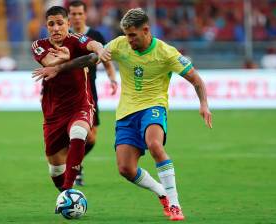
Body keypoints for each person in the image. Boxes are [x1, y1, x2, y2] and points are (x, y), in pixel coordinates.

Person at [33, 8, 213, 221]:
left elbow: (196, 80)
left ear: (146, 30)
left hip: (153, 107)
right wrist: (61, 68)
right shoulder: (120, 44)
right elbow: (92, 58)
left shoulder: (167, 53)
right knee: (126, 168)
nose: (128, 39)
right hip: (126, 112)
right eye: (126, 34)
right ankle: (162, 193)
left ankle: (175, 204)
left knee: (155, 145)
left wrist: (204, 104)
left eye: (132, 35)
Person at [31, 6, 107, 199]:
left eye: (60, 23)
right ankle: (65, 192)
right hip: (53, 112)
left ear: (68, 24)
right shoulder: (38, 45)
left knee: (80, 133)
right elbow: (49, 62)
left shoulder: (76, 39)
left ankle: (69, 191)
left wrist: (99, 50)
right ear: (46, 26)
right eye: (51, 24)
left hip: (80, 104)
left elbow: (95, 48)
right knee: (55, 169)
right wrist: (64, 58)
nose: (56, 28)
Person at [68, 0, 118, 186]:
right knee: (71, 131)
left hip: (90, 91)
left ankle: (76, 162)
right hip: (68, 91)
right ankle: (73, 166)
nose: (76, 17)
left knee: (91, 136)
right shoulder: (64, 36)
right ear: (69, 16)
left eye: (79, 13)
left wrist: (113, 78)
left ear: (85, 14)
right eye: (73, 14)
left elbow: (106, 60)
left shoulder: (95, 35)